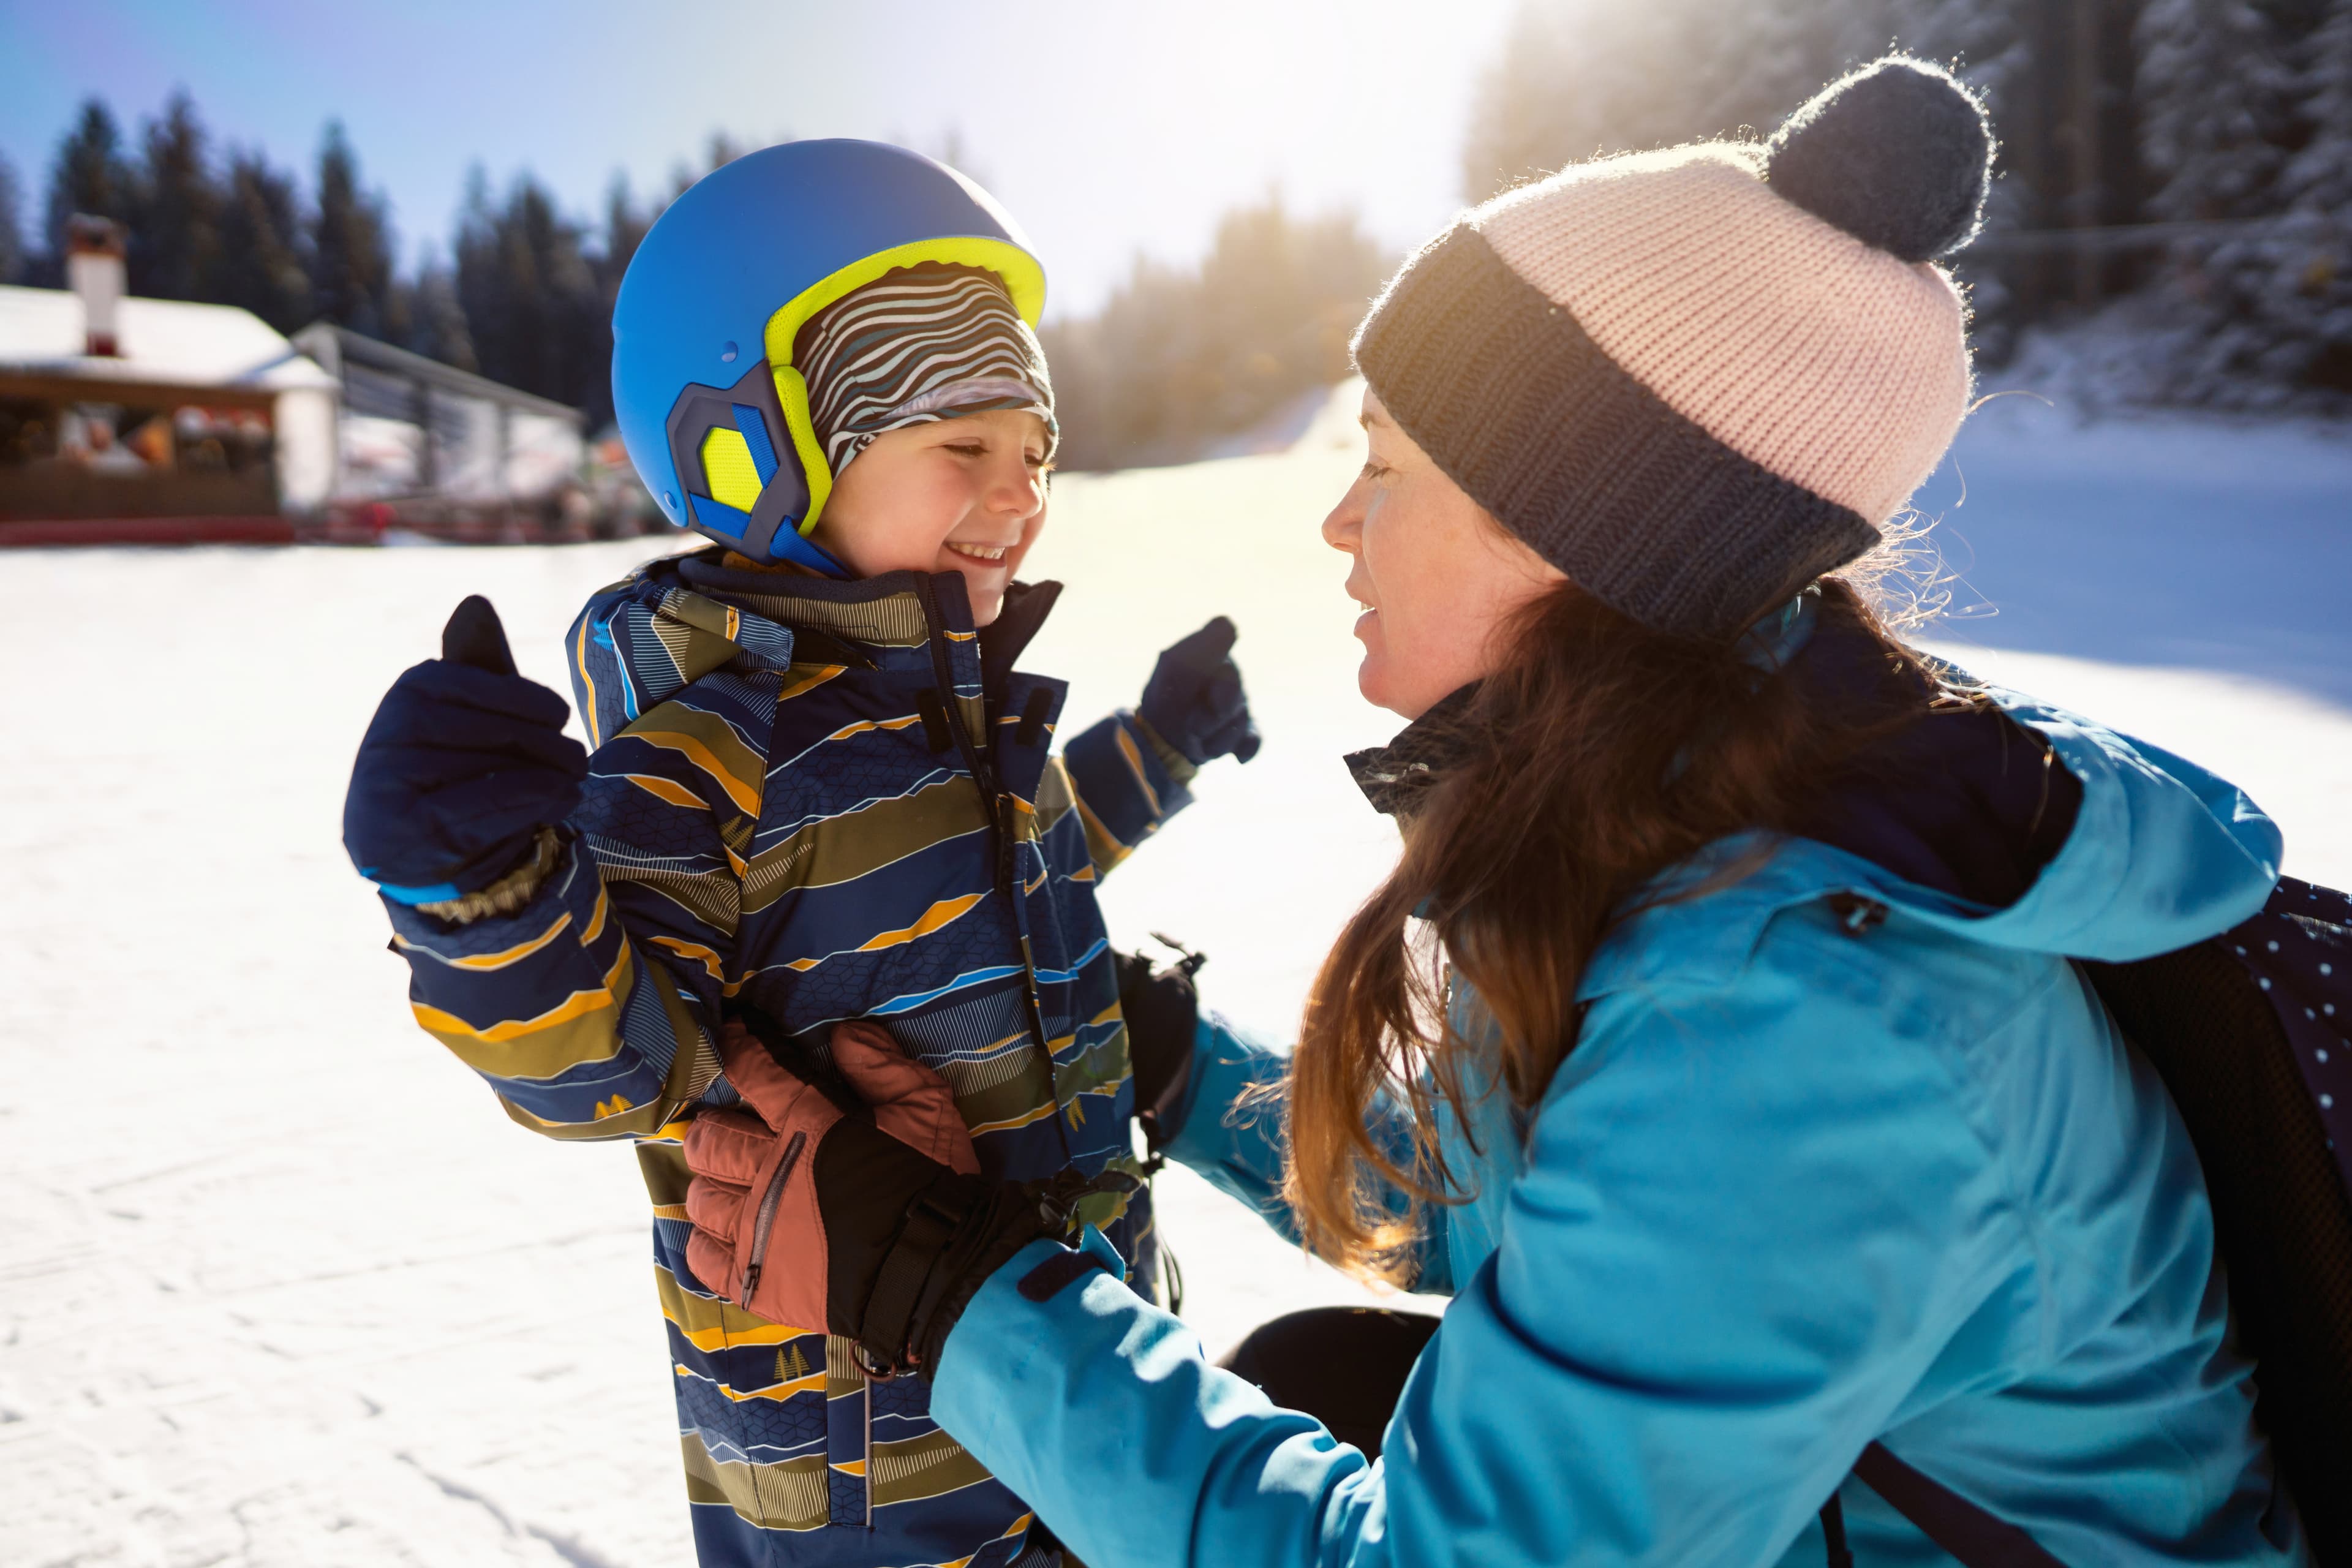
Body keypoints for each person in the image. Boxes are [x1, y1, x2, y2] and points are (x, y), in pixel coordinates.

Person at [668, 60, 2310, 1566]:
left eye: (1386, 464)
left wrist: (938, 1284)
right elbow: (1520, 1209)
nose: (1338, 520)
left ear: (1571, 535)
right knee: (1316, 1378)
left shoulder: (1800, 1010)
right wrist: (1165, 1050)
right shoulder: (1713, 818)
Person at [340, 141, 1259, 1568]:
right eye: (962, 447)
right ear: (761, 447)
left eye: (1035, 452)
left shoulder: (954, 710)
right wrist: (483, 896)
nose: (1019, 494)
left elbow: (1028, 859)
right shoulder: (715, 752)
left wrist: (1162, 745)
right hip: (888, 1481)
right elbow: (605, 1059)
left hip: (1084, 1390)